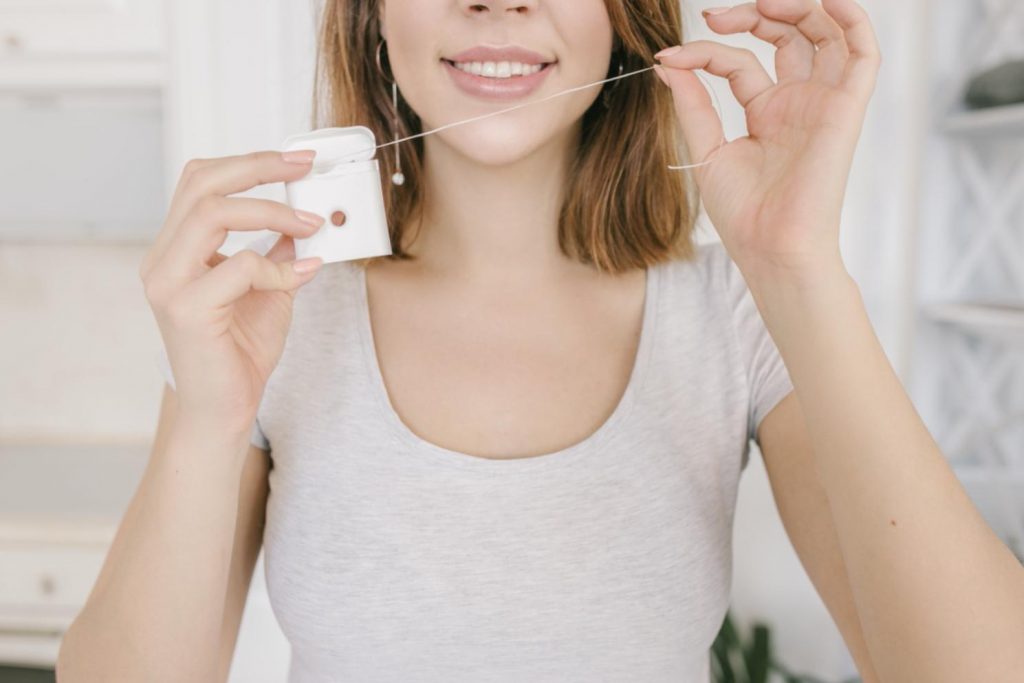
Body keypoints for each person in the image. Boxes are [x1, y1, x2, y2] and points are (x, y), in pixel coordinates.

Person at [57, 0, 1024, 681]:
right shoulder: (270, 314)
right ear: (375, 15)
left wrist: (800, 266)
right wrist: (207, 421)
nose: (498, 3)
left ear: (621, 17)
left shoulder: (740, 313)